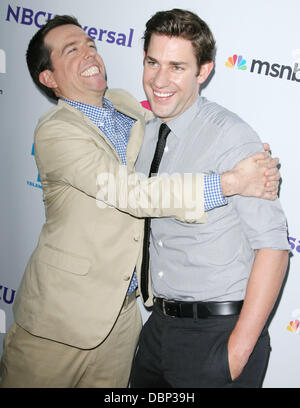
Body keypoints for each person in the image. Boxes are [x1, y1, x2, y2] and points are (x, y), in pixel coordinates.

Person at [0, 15, 280, 388]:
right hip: (60, 322)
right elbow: (132, 194)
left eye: (90, 45)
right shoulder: (56, 130)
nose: (90, 55)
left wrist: (241, 348)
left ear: (203, 70)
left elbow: (183, 120)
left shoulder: (131, 109)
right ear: (49, 78)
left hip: (126, 325)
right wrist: (230, 182)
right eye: (72, 50)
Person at [130, 9, 290, 388]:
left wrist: (237, 351)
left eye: (177, 67)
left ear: (203, 72)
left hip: (218, 336)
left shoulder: (232, 138)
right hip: (158, 328)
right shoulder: (146, 134)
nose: (159, 80)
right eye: (153, 62)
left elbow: (273, 247)